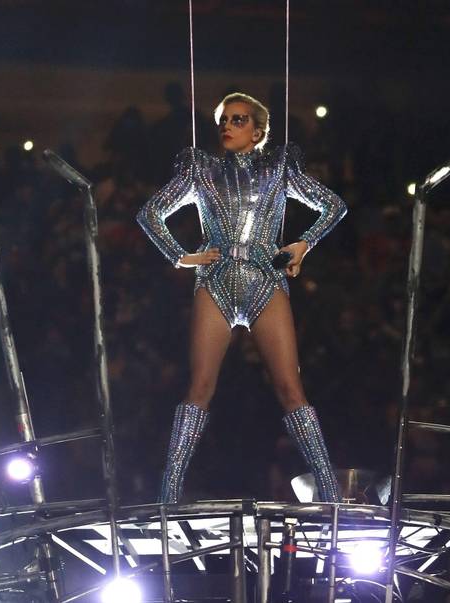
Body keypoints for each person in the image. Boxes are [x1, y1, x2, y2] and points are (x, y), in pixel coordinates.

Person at [137, 92, 347, 503]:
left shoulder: (279, 168)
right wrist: (182, 257)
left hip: (265, 281)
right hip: (214, 281)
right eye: (224, 120)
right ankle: (168, 495)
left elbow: (334, 206)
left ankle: (330, 493)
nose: (227, 126)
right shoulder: (202, 171)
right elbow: (149, 214)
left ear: (258, 131)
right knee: (199, 386)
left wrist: (303, 244)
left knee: (290, 389)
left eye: (238, 120)